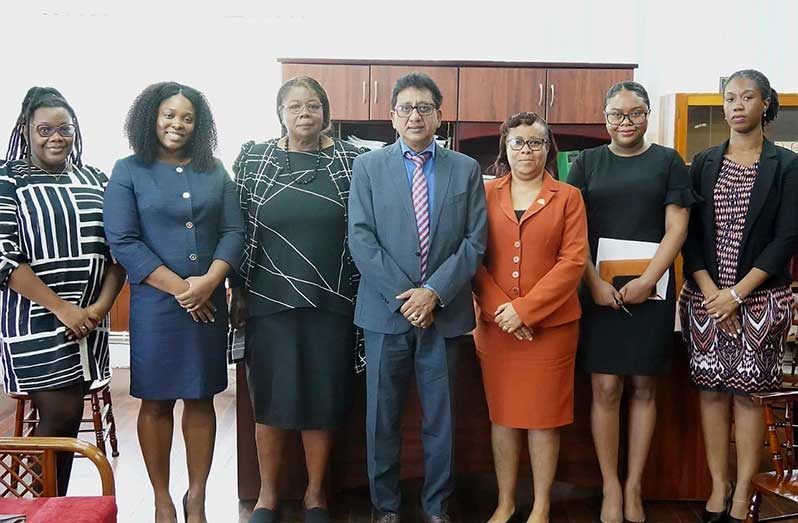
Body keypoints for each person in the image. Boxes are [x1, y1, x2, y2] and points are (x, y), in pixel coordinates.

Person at [348, 72, 487, 523]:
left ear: (440, 116)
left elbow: (474, 241)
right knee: (381, 418)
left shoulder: (464, 169)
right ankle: (385, 506)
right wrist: (406, 296)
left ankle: (436, 506)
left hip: (443, 314)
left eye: (424, 107)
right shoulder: (368, 168)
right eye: (406, 108)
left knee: (440, 421)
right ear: (392, 117)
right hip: (386, 313)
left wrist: (433, 293)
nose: (415, 115)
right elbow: (361, 238)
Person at [104, 82, 244, 523]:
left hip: (209, 298)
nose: (177, 124)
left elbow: (234, 232)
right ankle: (163, 500)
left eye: (187, 117)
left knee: (201, 398)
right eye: (169, 115)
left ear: (198, 125)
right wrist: (186, 290)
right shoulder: (128, 170)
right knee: (157, 401)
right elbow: (123, 240)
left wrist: (212, 281)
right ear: (151, 117)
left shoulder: (215, 169)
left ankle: (197, 498)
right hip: (157, 306)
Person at [228, 75, 365, 523]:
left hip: (335, 300)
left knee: (322, 399)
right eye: (294, 106)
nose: (304, 114)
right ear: (280, 112)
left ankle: (315, 496)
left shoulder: (354, 160)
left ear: (326, 112)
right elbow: (236, 228)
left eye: (313, 106)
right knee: (268, 398)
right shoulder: (253, 159)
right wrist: (236, 289)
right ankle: (266, 496)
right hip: (267, 298)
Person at [567, 81, 695, 523]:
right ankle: (609, 487)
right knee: (604, 387)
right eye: (617, 114)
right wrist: (593, 283)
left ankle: (635, 485)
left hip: (652, 289)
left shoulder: (668, 162)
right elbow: (573, 232)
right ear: (605, 118)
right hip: (598, 291)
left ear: (647, 116)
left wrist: (647, 279)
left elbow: (676, 228)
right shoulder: (586, 163)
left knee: (644, 385)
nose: (626, 122)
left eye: (635, 113)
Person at [680, 69, 798, 523]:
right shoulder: (704, 162)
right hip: (705, 299)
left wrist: (737, 294)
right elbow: (688, 235)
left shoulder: (786, 166)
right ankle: (717, 485)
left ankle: (743, 492)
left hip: (760, 300)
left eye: (748, 97)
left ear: (766, 103)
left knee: (749, 397)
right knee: (711, 392)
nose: (737, 106)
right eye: (730, 98)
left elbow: (787, 238)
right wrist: (712, 292)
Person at [0, 87, 126, 495]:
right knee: (59, 416)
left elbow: (117, 250)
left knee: (65, 421)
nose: (56, 137)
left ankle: (48, 506)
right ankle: (44, 507)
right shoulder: (6, 179)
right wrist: (62, 309)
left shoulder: (95, 178)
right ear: (26, 130)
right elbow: (4, 258)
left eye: (65, 129)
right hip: (35, 318)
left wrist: (99, 309)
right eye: (45, 129)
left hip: (90, 321)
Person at [473, 112, 586, 523]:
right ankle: (505, 502)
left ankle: (541, 505)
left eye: (535, 142)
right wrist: (501, 309)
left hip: (551, 329)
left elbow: (573, 262)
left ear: (547, 148)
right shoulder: (484, 194)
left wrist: (525, 310)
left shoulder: (568, 196)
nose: (526, 150)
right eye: (518, 142)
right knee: (502, 416)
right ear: (505, 147)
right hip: (496, 326)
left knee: (544, 419)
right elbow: (473, 259)